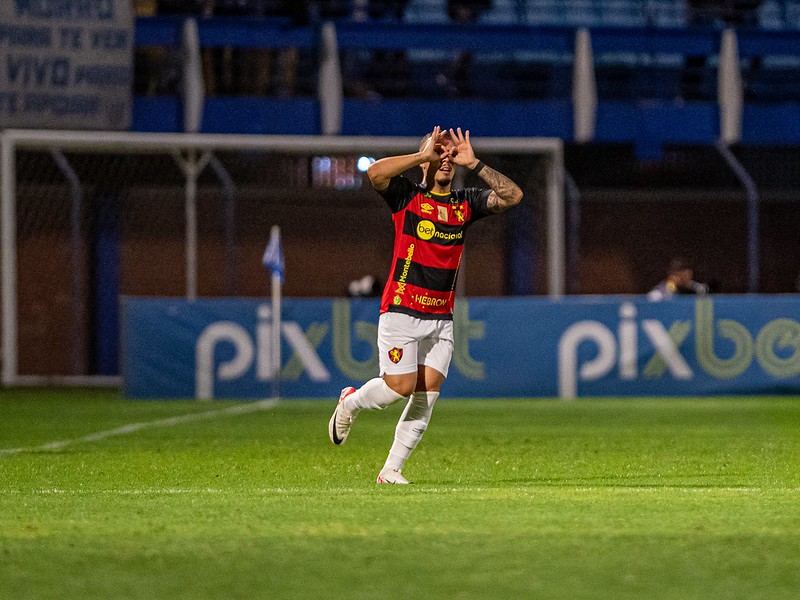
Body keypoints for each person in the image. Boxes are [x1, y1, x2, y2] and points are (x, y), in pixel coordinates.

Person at [328, 126, 524, 484]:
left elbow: (512, 196)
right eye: (439, 151)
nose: (445, 157)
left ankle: (391, 470)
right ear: (425, 160)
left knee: (426, 395)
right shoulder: (407, 197)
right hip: (402, 309)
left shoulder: (465, 203)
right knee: (397, 388)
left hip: (440, 318)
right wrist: (421, 156)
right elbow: (374, 174)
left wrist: (475, 163)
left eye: (450, 153)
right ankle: (350, 403)